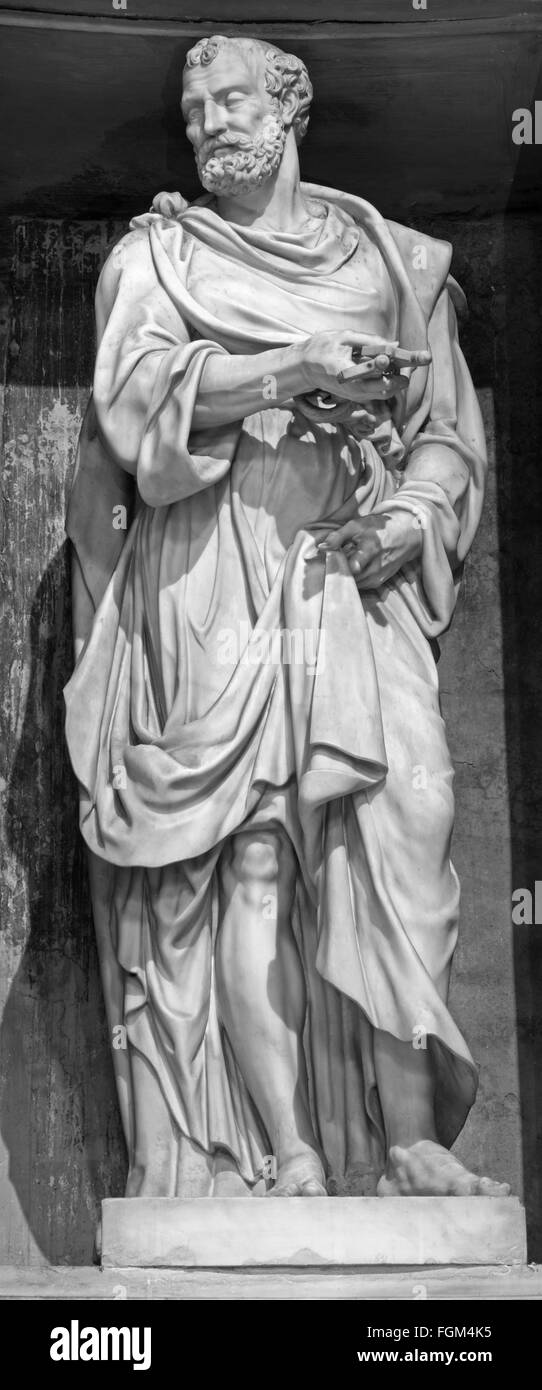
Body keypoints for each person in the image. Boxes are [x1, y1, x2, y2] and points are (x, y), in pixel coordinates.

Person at [65, 34, 509, 1200]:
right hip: (215, 564)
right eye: (192, 105)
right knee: (245, 854)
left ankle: (405, 1135)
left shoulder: (388, 257)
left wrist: (407, 523)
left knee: (405, 815)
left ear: (290, 105)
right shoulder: (154, 257)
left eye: (230, 99)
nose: (209, 121)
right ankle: (288, 1152)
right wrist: (288, 368)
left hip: (349, 574)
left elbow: (445, 437)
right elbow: (132, 400)